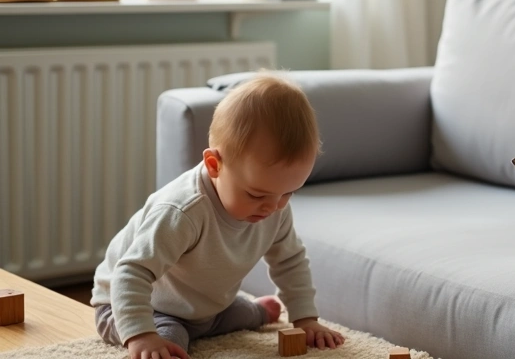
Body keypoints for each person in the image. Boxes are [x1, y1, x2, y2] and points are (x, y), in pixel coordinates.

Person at [92, 73, 345, 359]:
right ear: (214, 165)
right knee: (169, 342)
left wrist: (305, 318)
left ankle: (256, 312)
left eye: (288, 193)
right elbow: (131, 273)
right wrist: (141, 335)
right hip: (139, 307)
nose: (273, 207)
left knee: (239, 313)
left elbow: (290, 261)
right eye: (256, 195)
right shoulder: (182, 211)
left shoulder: (275, 206)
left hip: (205, 310)